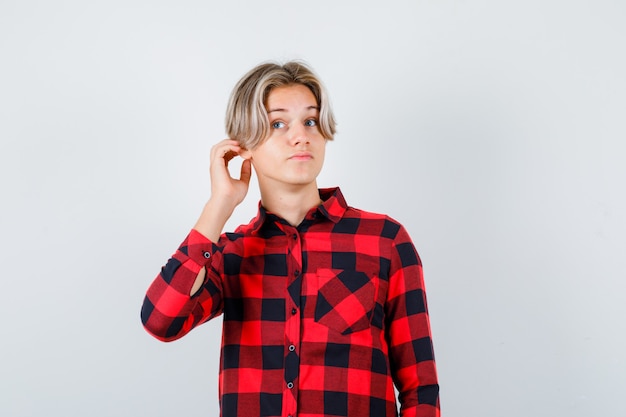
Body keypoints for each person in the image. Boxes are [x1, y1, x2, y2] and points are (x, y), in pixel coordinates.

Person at [141, 61, 440, 417]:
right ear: (244, 147)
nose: (301, 136)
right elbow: (161, 321)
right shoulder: (230, 253)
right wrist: (220, 204)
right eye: (278, 123)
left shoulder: (384, 241)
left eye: (310, 121)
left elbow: (420, 389)